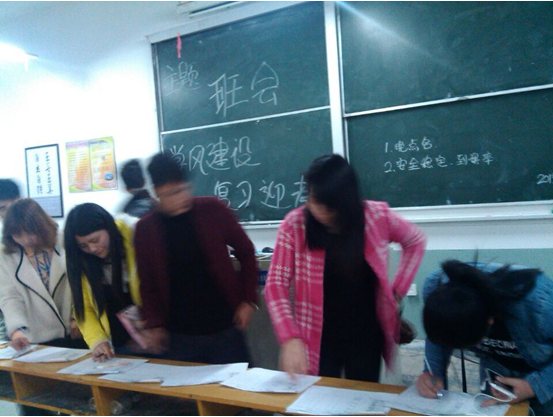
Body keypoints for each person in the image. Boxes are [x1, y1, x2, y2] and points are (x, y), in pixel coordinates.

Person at [265, 154, 427, 381]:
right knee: (320, 395)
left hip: (365, 332)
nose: (318, 211)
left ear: (346, 202)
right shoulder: (295, 225)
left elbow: (415, 241)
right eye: (313, 201)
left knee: (362, 395)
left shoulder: (376, 217)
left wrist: (397, 292)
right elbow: (275, 284)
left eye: (328, 208)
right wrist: (290, 337)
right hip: (317, 335)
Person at [134, 153, 258, 364]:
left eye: (184, 189)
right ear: (157, 193)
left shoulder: (213, 210)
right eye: (172, 193)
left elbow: (246, 252)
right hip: (179, 336)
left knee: (238, 382)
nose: (182, 197)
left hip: (226, 327)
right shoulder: (146, 229)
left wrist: (248, 300)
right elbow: (147, 283)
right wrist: (154, 324)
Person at [417, 260, 553, 415]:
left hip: (544, 370)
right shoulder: (437, 289)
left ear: (490, 320)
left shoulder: (541, 304)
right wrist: (432, 373)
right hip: (496, 370)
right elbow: (441, 335)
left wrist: (535, 386)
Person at [64, 203, 141, 361]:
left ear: (108, 228)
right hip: (117, 345)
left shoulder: (136, 239)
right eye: (83, 245)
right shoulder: (83, 261)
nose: (92, 249)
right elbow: (83, 307)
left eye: (95, 240)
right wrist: (97, 340)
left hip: (153, 336)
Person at [0, 199, 79, 349]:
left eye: (30, 233)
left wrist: (78, 317)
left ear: (42, 226)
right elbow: (10, 296)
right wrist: (17, 330)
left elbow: (82, 285)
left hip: (74, 330)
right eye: (17, 235)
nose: (26, 240)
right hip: (36, 336)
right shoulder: (6, 255)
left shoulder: (63, 241)